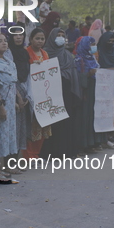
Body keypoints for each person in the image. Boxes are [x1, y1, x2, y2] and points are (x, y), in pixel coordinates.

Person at [42, 28, 82, 158]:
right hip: (50, 94)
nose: (60, 38)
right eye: (57, 35)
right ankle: (51, 152)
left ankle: (66, 151)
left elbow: (73, 74)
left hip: (66, 93)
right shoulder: (45, 54)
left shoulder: (67, 55)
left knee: (66, 122)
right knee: (53, 123)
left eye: (62, 35)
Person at [0, 33, 22, 180]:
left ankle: (5, 165)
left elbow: (12, 83)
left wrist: (15, 99)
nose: (4, 43)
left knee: (8, 134)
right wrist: (1, 104)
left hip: (10, 102)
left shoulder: (9, 61)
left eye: (5, 41)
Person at [22, 28, 52, 160]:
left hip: (44, 93)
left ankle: (36, 153)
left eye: (42, 39)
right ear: (31, 39)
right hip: (31, 93)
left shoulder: (45, 53)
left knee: (43, 125)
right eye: (37, 38)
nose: (40, 41)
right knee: (31, 125)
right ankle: (28, 155)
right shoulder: (26, 52)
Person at [6, 32, 32, 170]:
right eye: (15, 35)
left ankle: (15, 161)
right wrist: (18, 97)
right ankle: (8, 163)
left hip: (24, 91)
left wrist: (27, 94)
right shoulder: (8, 53)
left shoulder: (24, 53)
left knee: (21, 128)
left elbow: (27, 74)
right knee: (13, 129)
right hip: (12, 93)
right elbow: (10, 76)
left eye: (21, 35)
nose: (18, 37)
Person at [97, 32, 114, 145]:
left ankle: (110, 133)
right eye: (109, 41)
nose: (111, 44)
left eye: (113, 41)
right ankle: (103, 136)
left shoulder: (113, 53)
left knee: (112, 108)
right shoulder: (97, 54)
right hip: (101, 87)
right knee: (102, 109)